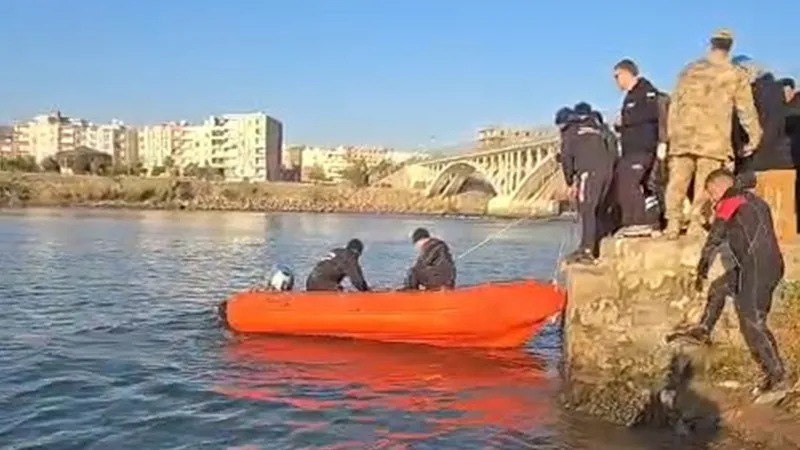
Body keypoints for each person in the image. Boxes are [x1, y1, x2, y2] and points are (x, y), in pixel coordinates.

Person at [667, 168, 789, 399]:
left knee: (753, 322)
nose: (713, 200)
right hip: (762, 265)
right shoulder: (751, 198)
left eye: (712, 194)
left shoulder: (730, 200)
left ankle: (778, 378)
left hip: (758, 267)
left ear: (718, 188)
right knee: (720, 287)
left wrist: (703, 265)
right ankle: (703, 329)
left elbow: (716, 235)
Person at [663, 29, 763, 240]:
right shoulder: (734, 74)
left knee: (677, 182)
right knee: (705, 184)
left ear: (711, 44)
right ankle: (696, 226)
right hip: (713, 139)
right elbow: (746, 109)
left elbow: (674, 105)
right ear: (730, 46)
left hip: (683, 136)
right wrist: (754, 137)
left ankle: (672, 223)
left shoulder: (689, 70)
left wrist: (671, 134)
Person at [730, 56, 795, 243]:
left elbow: (761, 123)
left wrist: (749, 145)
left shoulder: (760, 91)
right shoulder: (770, 89)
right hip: (773, 154)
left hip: (763, 156)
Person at [559, 103, 617, 263]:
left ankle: (586, 250)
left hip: (589, 173)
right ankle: (598, 245)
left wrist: (570, 182)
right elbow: (612, 151)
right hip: (607, 171)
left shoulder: (570, 132)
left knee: (587, 210)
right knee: (599, 209)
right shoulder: (599, 130)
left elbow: (566, 158)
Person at [612, 59, 664, 236]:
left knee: (627, 181)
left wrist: (625, 122)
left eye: (617, 76)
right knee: (642, 185)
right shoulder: (630, 95)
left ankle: (637, 222)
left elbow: (653, 115)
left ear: (627, 73)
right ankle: (652, 221)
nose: (615, 81)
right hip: (632, 149)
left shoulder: (646, 92)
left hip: (642, 148)